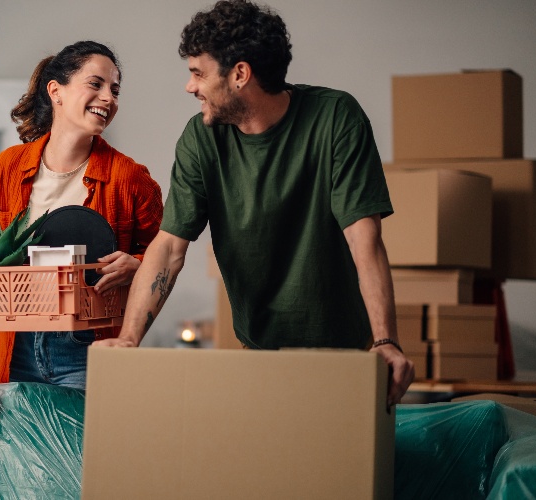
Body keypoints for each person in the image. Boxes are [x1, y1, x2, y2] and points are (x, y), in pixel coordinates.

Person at [94, 0, 414, 405]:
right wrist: (127, 340)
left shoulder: (336, 118)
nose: (190, 86)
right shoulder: (201, 138)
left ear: (240, 74)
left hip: (345, 356)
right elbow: (170, 247)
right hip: (259, 353)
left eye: (198, 73)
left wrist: (387, 340)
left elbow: (363, 238)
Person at [0, 41, 163, 389]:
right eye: (95, 84)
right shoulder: (8, 167)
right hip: (16, 343)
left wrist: (138, 264)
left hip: (87, 348)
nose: (109, 98)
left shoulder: (130, 178)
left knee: (84, 445)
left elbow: (166, 254)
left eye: (114, 90)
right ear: (57, 91)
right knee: (19, 445)